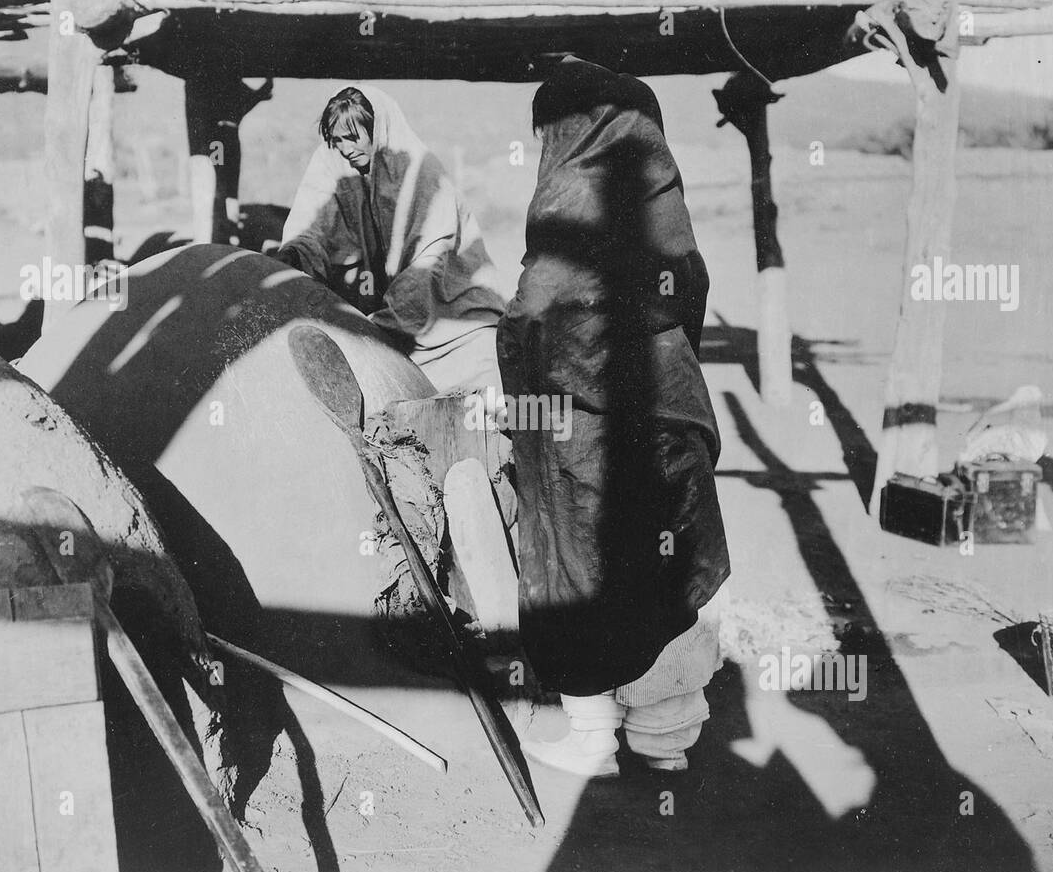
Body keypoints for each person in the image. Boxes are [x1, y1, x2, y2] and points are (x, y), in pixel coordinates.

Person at [497, 58, 731, 776]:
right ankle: (666, 740)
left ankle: (593, 738)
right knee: (664, 563)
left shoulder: (567, 197)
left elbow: (538, 317)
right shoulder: (661, 197)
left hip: (584, 431)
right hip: (668, 410)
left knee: (582, 566)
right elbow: (683, 297)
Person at [276, 84, 510, 394]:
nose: (345, 149)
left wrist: (378, 324)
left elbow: (429, 262)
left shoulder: (422, 174)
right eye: (337, 140)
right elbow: (314, 226)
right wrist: (292, 258)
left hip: (455, 326)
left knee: (481, 403)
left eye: (353, 137)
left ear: (378, 130)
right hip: (389, 327)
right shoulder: (338, 165)